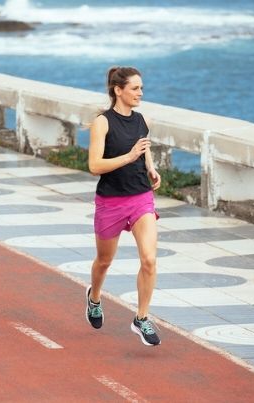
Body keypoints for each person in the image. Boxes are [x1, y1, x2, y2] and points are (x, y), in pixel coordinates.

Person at [85, 66, 161, 346]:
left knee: (149, 260)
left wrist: (151, 167)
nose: (140, 93)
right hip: (111, 201)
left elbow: (144, 147)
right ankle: (94, 297)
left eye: (142, 88)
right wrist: (129, 157)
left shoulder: (143, 120)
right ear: (119, 90)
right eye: (135, 88)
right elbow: (94, 166)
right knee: (104, 261)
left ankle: (141, 318)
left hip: (141, 197)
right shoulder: (102, 123)